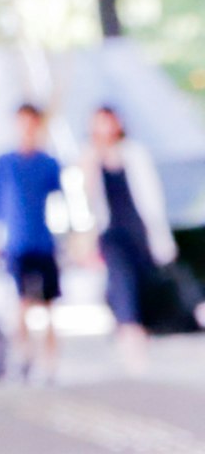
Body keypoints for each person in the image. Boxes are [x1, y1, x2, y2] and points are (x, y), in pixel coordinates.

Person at [90, 103, 185, 372]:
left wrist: (159, 235)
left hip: (140, 231)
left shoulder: (134, 153)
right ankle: (132, 352)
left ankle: (141, 341)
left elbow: (151, 196)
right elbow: (87, 201)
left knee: (155, 284)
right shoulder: (91, 157)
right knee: (122, 289)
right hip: (112, 235)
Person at [0, 99, 69, 380]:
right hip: (17, 245)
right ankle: (22, 357)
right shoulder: (4, 163)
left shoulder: (48, 164)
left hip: (44, 243)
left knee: (48, 306)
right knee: (21, 304)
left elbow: (62, 202)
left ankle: (50, 363)